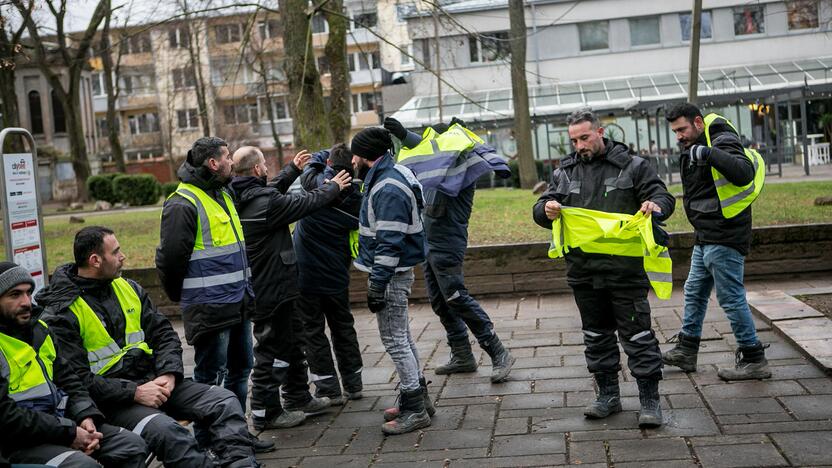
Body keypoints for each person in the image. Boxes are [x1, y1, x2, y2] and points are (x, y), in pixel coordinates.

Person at [38, 227, 260, 467]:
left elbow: (164, 334)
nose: (122, 257)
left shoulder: (129, 288)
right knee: (170, 433)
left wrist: (169, 374)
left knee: (223, 401)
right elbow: (76, 380)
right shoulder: (62, 312)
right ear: (95, 260)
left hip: (156, 383)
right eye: (116, 252)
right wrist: (135, 392)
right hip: (114, 403)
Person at [533, 108, 676, 428]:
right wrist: (547, 209)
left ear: (600, 132)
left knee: (637, 335)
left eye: (584, 137)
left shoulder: (633, 167)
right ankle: (607, 395)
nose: (579, 145)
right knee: (595, 335)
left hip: (625, 272)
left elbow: (662, 196)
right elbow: (540, 208)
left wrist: (655, 206)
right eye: (573, 140)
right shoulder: (565, 172)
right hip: (583, 271)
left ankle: (650, 400)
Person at [384, 117, 514, 383]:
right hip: (428, 241)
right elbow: (426, 149)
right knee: (440, 302)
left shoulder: (461, 167)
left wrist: (462, 134)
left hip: (447, 241)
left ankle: (499, 352)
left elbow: (441, 153)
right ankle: (462, 355)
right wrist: (403, 134)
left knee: (456, 297)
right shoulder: (436, 163)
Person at [230, 146, 352, 430]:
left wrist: (292, 170)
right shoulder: (266, 203)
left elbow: (270, 191)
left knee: (295, 340)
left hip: (274, 283)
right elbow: (303, 203)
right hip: (271, 287)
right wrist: (333, 187)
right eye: (264, 164)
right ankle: (264, 411)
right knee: (272, 349)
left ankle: (297, 396)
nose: (267, 169)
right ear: (258, 169)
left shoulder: (243, 194)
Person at [0, 261, 147, 468]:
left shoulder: (40, 330)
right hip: (18, 442)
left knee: (131, 446)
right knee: (82, 465)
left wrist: (85, 415)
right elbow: (7, 416)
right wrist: (69, 432)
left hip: (61, 425)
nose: (26, 302)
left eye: (28, 293)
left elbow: (70, 380)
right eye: (14, 295)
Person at [662, 102, 770, 381]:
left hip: (725, 233)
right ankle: (687, 350)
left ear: (698, 122)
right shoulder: (695, 143)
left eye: (682, 129)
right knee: (694, 290)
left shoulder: (721, 138)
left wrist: (709, 153)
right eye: (675, 132)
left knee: (731, 297)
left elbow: (743, 173)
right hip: (706, 233)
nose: (679, 137)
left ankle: (754, 358)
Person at [351, 127, 434, 435]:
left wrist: (377, 283)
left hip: (390, 274)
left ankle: (415, 408)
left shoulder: (387, 187)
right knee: (403, 336)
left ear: (367, 155)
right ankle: (418, 397)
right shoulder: (392, 174)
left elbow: (389, 241)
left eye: (356, 154)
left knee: (395, 340)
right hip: (395, 271)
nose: (353, 159)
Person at [293, 144, 365, 404]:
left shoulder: (315, 187)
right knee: (343, 327)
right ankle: (353, 383)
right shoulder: (356, 202)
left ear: (330, 168)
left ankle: (327, 388)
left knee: (312, 331)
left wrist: (324, 155)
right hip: (336, 276)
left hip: (305, 276)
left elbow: (309, 170)